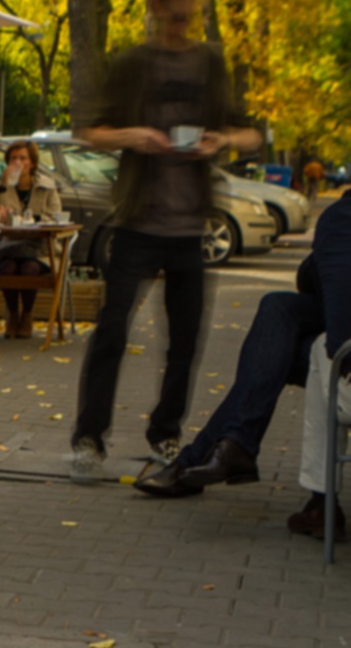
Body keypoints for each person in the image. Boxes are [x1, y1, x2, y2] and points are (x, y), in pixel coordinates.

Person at [70, 0, 262, 482]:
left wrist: (220, 141)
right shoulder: (133, 63)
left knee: (185, 338)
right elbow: (89, 131)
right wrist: (131, 134)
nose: (182, 20)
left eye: (189, 11)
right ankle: (89, 438)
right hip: (136, 221)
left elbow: (251, 133)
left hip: (189, 226)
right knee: (111, 330)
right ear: (156, 8)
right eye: (174, 11)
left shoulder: (209, 63)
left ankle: (166, 432)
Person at [134, 195, 350, 537]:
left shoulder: (343, 218)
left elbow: (340, 333)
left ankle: (225, 449)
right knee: (278, 310)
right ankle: (231, 446)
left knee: (277, 358)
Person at [0, 140, 65, 339]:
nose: (17, 163)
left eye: (23, 158)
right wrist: (5, 186)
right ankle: (13, 315)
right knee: (8, 268)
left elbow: (56, 217)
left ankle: (27, 314)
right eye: (13, 158)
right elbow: (0, 215)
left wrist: (34, 220)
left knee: (28, 268)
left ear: (32, 163)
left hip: (42, 248)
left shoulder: (47, 187)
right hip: (12, 246)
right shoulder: (2, 186)